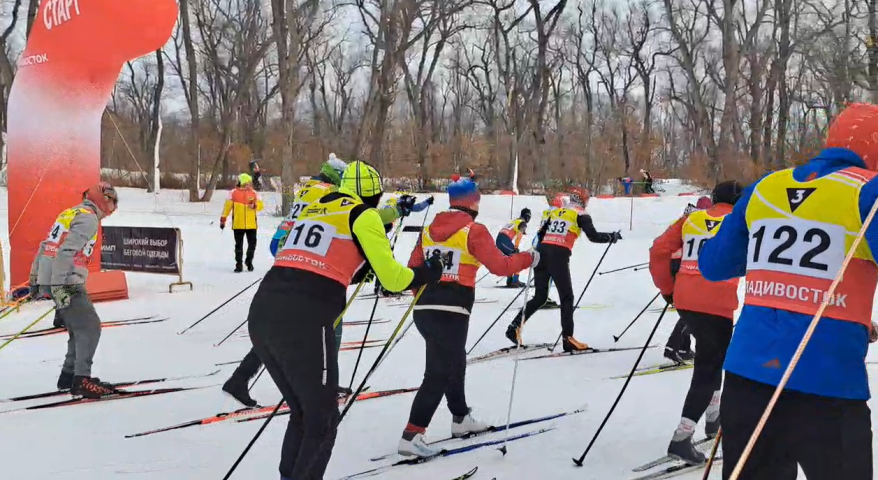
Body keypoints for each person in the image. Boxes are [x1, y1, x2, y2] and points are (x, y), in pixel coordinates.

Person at [700, 103, 878, 480]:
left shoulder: (766, 186)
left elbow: (714, 264)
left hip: (748, 379)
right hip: (827, 388)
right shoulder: (869, 191)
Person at [247, 160, 443, 480]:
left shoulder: (315, 207)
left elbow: (315, 256)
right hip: (306, 319)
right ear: (371, 196)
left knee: (303, 413)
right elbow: (393, 280)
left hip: (264, 310)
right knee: (323, 421)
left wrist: (387, 222)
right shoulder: (363, 215)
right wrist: (427, 273)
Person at [399, 178, 537, 457]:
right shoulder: (473, 230)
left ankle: (460, 418)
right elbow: (500, 265)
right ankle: (412, 435)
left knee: (455, 361)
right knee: (438, 373)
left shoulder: (428, 231)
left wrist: (423, 295)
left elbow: (413, 267)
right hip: (452, 309)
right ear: (473, 203)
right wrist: (528, 258)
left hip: (426, 307)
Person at [223, 158, 349, 408]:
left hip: (286, 246)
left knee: (283, 326)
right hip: (301, 254)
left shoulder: (309, 187)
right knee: (330, 322)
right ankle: (326, 383)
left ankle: (240, 378)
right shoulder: (328, 193)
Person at [648, 182, 742, 465]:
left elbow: (659, 250)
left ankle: (713, 419)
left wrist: (668, 288)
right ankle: (682, 437)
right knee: (709, 368)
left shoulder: (692, 217)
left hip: (687, 299)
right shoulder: (739, 219)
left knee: (709, 360)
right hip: (716, 303)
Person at [29, 182, 119, 398]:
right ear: (103, 200)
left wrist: (36, 278)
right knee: (90, 327)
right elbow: (65, 252)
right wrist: (59, 287)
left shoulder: (72, 212)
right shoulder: (88, 218)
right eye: (113, 202)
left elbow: (46, 244)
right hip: (66, 281)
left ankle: (69, 377)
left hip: (56, 278)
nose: (113, 209)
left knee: (78, 329)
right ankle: (81, 381)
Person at [505, 188, 621, 351]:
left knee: (540, 296)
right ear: (583, 200)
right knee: (567, 297)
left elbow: (541, 233)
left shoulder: (557, 212)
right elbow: (593, 236)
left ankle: (514, 327)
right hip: (558, 256)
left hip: (541, 253)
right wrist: (612, 237)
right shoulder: (580, 214)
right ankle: (568, 339)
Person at [664, 196, 714, 363]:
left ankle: (684, 347)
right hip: (684, 266)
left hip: (677, 264)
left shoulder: (685, 218)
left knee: (687, 308)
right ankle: (673, 346)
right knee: (694, 310)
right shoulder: (700, 220)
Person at [220, 173, 264, 272]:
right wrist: (223, 219)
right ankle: (238, 264)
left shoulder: (254, 193)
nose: (248, 185)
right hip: (238, 224)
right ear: (241, 183)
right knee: (238, 245)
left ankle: (249, 262)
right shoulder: (233, 193)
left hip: (251, 224)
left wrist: (255, 205)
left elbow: (261, 206)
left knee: (252, 244)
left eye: (249, 183)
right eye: (246, 183)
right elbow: (227, 208)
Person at [496, 208, 531, 287]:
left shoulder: (515, 221)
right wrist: (516, 247)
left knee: (511, 259)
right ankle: (515, 280)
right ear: (527, 217)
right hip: (504, 241)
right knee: (518, 258)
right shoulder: (522, 223)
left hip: (501, 240)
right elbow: (519, 236)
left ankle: (510, 280)